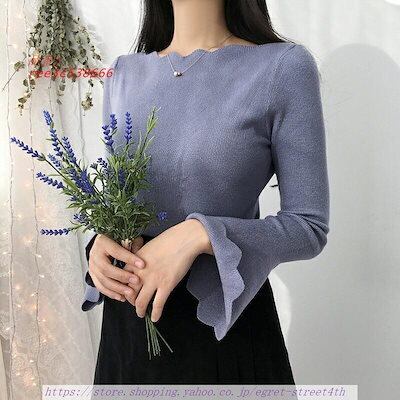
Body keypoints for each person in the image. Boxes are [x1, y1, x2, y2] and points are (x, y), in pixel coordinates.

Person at [81, 0, 330, 385]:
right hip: (128, 336)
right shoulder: (123, 74)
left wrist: (199, 234)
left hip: (222, 334)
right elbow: (120, 204)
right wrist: (100, 245)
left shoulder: (282, 68)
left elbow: (308, 227)